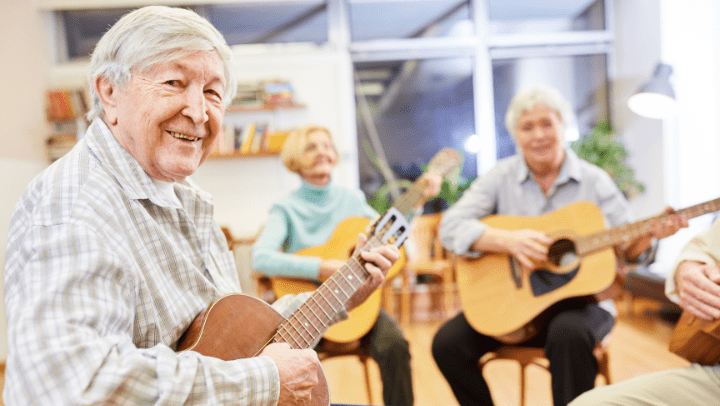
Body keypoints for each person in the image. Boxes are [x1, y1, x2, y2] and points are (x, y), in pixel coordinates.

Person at [3, 6, 401, 406]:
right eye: (174, 82)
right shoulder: (74, 208)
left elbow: (230, 341)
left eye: (212, 92)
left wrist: (341, 293)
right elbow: (74, 385)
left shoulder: (184, 197)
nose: (198, 112)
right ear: (109, 92)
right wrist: (263, 378)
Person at [431, 85, 688, 406]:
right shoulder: (500, 178)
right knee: (447, 344)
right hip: (514, 309)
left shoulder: (594, 181)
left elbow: (627, 254)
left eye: (547, 124)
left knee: (568, 335)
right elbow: (450, 226)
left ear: (563, 127)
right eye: (527, 127)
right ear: (516, 136)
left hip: (584, 306)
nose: (538, 135)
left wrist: (647, 236)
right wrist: (508, 241)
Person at [252, 124, 441, 406]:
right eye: (311, 147)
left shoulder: (352, 199)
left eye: (327, 146)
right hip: (306, 311)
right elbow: (261, 258)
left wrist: (416, 203)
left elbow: (386, 235)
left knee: (396, 346)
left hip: (356, 305)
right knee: (282, 368)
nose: (322, 152)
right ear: (295, 158)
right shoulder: (285, 208)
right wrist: (322, 267)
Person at [569, 217, 720, 406]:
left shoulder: (600, 189)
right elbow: (699, 251)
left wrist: (635, 247)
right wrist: (689, 270)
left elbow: (626, 248)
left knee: (570, 333)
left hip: (588, 303)